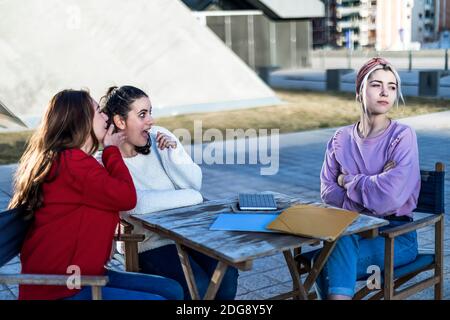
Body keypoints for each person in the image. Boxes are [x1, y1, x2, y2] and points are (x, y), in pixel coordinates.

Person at [8, 89, 183, 300]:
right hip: (60, 290)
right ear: (81, 119)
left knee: (172, 290)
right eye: (99, 111)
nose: (106, 117)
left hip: (84, 276)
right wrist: (111, 150)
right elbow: (127, 198)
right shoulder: (72, 164)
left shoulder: (75, 160)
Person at [99, 85, 238, 300]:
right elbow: (137, 204)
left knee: (227, 275)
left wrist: (172, 157)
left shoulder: (160, 137)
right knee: (198, 287)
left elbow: (195, 184)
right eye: (142, 114)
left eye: (150, 112)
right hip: (149, 243)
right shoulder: (105, 160)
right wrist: (191, 197)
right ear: (120, 121)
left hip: (189, 233)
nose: (151, 121)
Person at [318, 57, 420, 300]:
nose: (385, 92)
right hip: (350, 230)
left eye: (392, 87)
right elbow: (327, 194)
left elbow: (389, 197)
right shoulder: (340, 138)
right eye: (376, 85)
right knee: (337, 242)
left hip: (395, 236)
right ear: (360, 90)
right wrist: (373, 183)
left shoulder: (402, 136)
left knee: (325, 262)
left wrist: (347, 181)